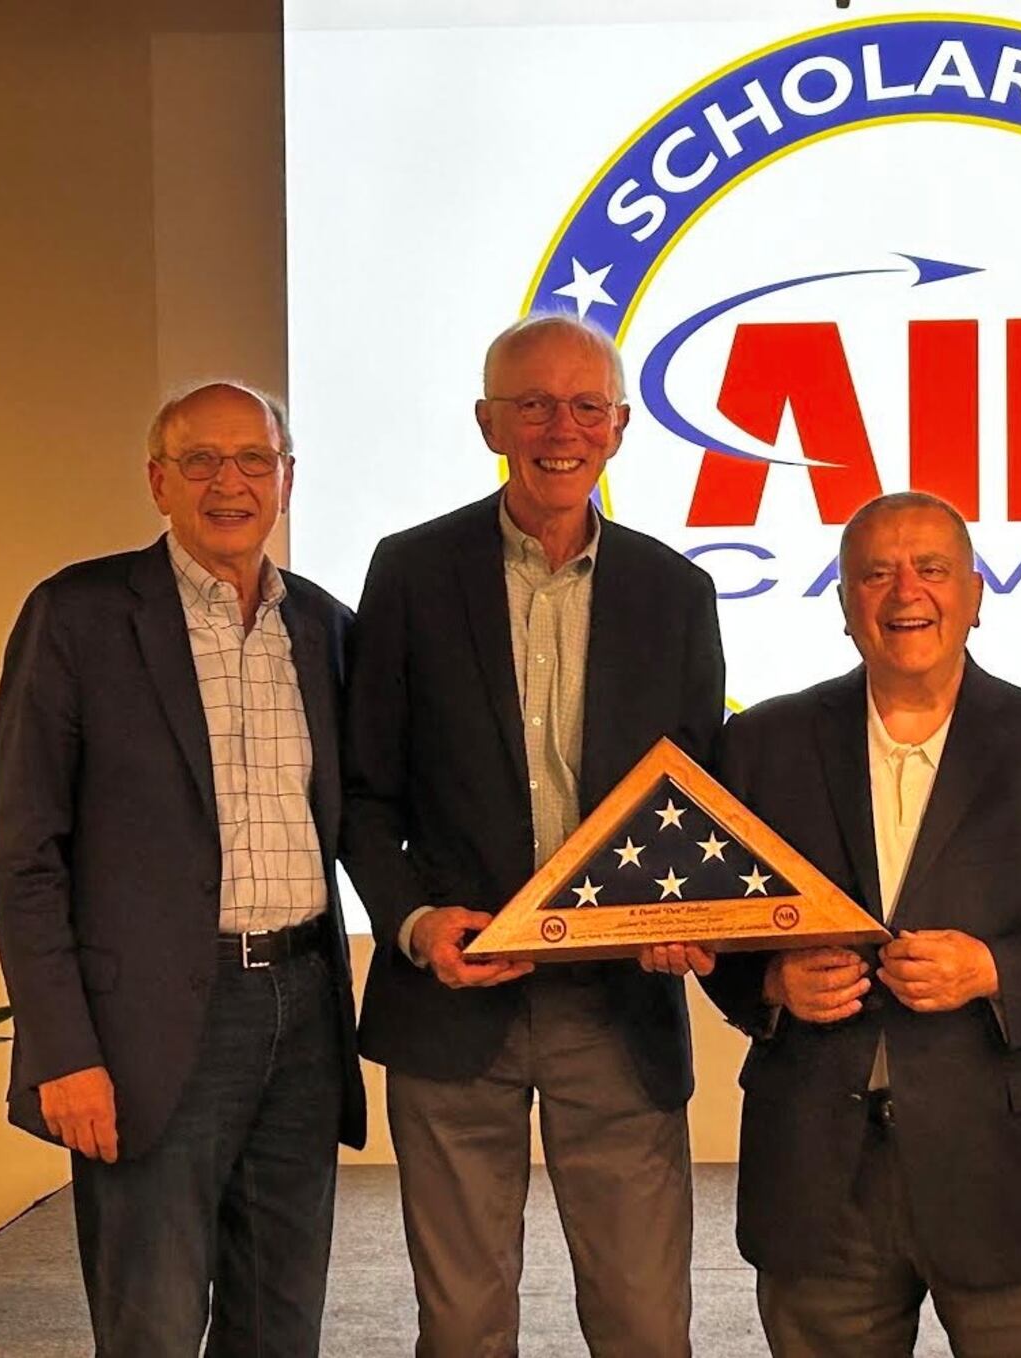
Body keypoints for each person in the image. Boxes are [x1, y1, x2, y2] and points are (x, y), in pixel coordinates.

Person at [342, 313, 725, 1357]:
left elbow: (698, 799)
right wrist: (413, 921)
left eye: (586, 406)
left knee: (646, 1324)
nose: (562, 429)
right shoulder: (410, 574)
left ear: (620, 426)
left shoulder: (676, 593)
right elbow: (364, 792)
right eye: (534, 405)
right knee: (462, 1326)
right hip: (453, 997)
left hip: (619, 1003)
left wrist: (689, 915)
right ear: (488, 423)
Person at [701, 491, 1021, 1357]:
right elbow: (713, 924)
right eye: (876, 574)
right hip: (815, 1177)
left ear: (976, 594)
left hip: (1005, 1176)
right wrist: (770, 982)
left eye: (932, 569)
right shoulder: (761, 744)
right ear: (844, 605)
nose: (906, 592)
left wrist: (995, 970)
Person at [0, 382, 367, 1356]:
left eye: (253, 460)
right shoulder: (77, 617)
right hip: (144, 1036)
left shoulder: (324, 627)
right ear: (159, 481)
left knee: (281, 1323)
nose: (228, 483)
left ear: (286, 478)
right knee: (150, 1327)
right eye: (200, 461)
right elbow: (26, 855)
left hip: (303, 1016)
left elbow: (366, 814)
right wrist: (62, 1050)